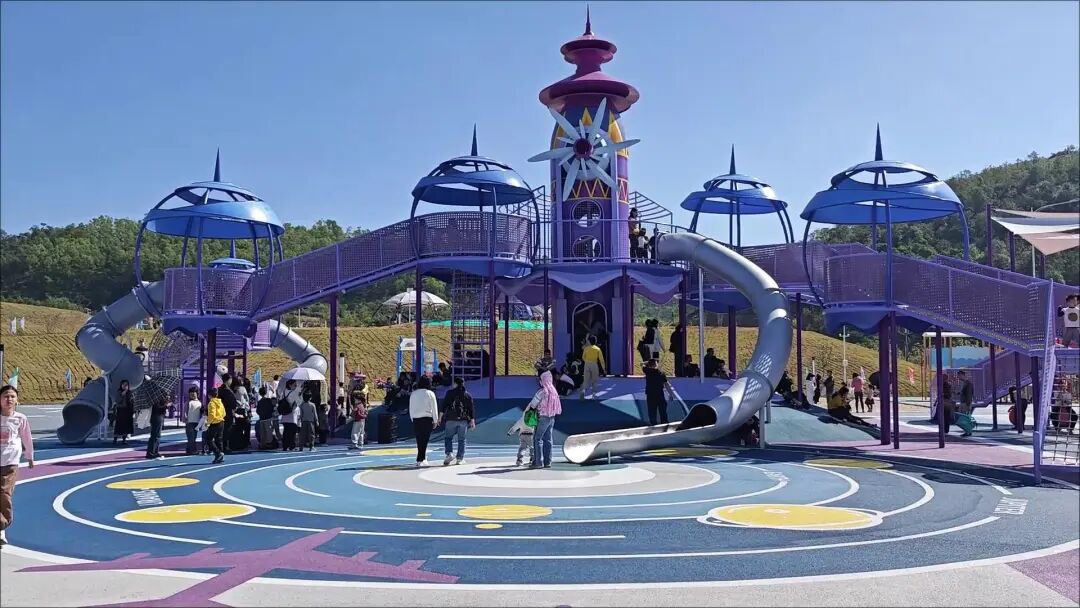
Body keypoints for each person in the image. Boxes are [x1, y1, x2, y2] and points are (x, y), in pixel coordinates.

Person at [1, 384, 34, 546]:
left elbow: (27, 438)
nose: (9, 399)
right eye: (6, 396)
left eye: (12, 396)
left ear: (17, 400)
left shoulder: (20, 418)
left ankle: (3, 525)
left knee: (4, 492)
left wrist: (30, 456)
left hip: (10, 462)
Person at [440, 377, 476, 466]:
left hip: (450, 419)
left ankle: (449, 453)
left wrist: (440, 417)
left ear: (455, 384)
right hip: (463, 420)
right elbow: (471, 409)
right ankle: (459, 459)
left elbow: (444, 406)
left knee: (448, 438)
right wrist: (472, 421)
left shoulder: (449, 393)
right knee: (462, 439)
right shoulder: (467, 395)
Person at [532, 371, 562, 469]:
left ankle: (538, 462)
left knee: (538, 438)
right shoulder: (554, 392)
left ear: (543, 381)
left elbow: (533, 404)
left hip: (542, 417)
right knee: (548, 439)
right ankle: (548, 462)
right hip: (552, 417)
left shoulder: (542, 392)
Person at [409, 376, 438, 467]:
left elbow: (411, 407)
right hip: (427, 418)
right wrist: (435, 420)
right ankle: (421, 458)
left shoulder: (414, 393)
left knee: (419, 439)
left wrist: (412, 418)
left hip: (416, 418)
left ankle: (421, 458)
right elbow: (434, 408)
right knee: (425, 439)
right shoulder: (430, 393)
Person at [507, 390, 539, 466]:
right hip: (531, 435)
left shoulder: (522, 419)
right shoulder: (534, 420)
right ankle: (532, 459)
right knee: (532, 447)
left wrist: (510, 432)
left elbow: (515, 426)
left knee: (522, 448)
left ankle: (519, 459)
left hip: (522, 435)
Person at [643, 359, 675, 425]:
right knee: (663, 411)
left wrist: (647, 363)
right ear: (656, 364)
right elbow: (666, 384)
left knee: (652, 412)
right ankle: (664, 424)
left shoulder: (647, 371)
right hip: (660, 394)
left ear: (649, 365)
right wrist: (671, 394)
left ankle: (653, 425)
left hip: (650, 395)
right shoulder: (661, 373)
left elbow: (643, 365)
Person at [580, 335, 606, 399]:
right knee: (594, 380)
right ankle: (594, 395)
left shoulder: (586, 348)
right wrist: (604, 369)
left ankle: (583, 392)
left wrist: (586, 361)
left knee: (586, 379)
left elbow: (583, 357)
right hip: (594, 364)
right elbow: (601, 360)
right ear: (595, 341)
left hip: (587, 364)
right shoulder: (597, 349)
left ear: (589, 341)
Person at [205, 388, 225, 464]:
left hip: (214, 423)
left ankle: (217, 453)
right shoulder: (220, 402)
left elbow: (211, 415)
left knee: (209, 439)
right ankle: (221, 454)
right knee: (219, 439)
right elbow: (224, 413)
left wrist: (208, 423)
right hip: (221, 421)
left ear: (209, 395)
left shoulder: (211, 403)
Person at [145, 392, 168, 460]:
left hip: (158, 416)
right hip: (156, 417)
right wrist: (166, 405)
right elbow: (157, 408)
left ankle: (155, 451)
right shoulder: (156, 398)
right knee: (155, 435)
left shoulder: (158, 397)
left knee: (157, 435)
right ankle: (151, 452)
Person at [113, 380, 135, 445]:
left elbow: (132, 401)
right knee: (119, 424)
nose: (125, 386)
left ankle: (124, 439)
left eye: (126, 385)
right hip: (121, 410)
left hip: (128, 410)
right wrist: (122, 395)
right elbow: (117, 401)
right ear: (121, 385)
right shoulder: (119, 392)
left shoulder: (130, 392)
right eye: (123, 384)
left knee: (127, 425)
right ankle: (115, 439)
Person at [184, 387, 202, 455]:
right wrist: (185, 417)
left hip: (196, 422)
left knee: (194, 437)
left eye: (194, 394)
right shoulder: (188, 402)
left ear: (197, 394)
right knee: (191, 437)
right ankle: (192, 450)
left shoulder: (199, 402)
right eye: (191, 394)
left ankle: (189, 449)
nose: (192, 396)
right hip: (190, 422)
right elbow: (185, 411)